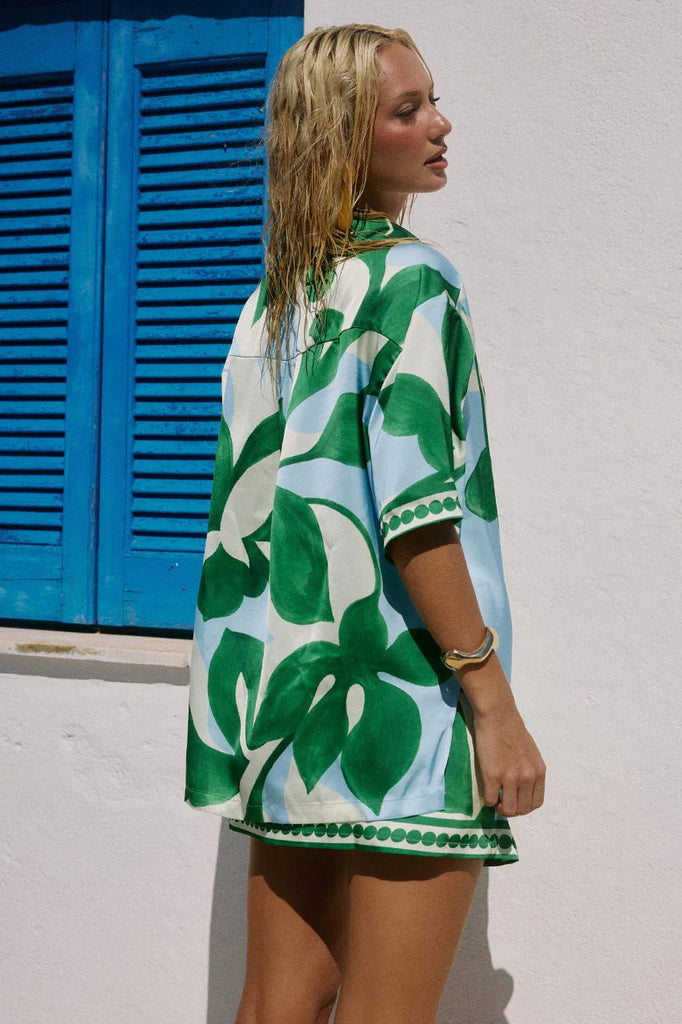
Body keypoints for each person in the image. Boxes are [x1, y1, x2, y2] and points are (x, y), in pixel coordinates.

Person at [185, 23, 546, 1024]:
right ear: (346, 134)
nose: (440, 124)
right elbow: (417, 517)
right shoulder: (413, 282)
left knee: (275, 1006)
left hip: (287, 696)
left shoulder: (276, 299)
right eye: (407, 110)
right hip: (401, 693)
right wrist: (492, 706)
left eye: (432, 101)